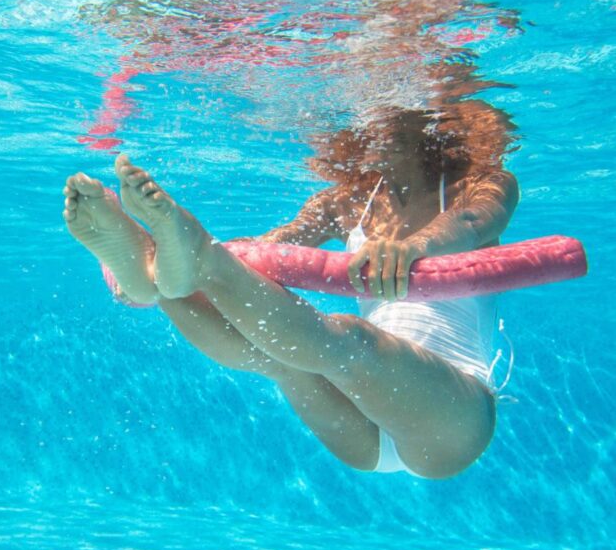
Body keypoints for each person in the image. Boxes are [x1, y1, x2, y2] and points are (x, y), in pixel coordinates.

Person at [63, 105, 519, 479]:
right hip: (362, 435)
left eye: (394, 116)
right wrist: (185, 269)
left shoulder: (478, 183)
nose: (379, 125)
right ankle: (155, 275)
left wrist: (415, 247)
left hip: (452, 417)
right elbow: (274, 248)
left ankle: (186, 256)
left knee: (351, 339)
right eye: (372, 116)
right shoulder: (345, 201)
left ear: (432, 126)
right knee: (278, 358)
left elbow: (476, 220)